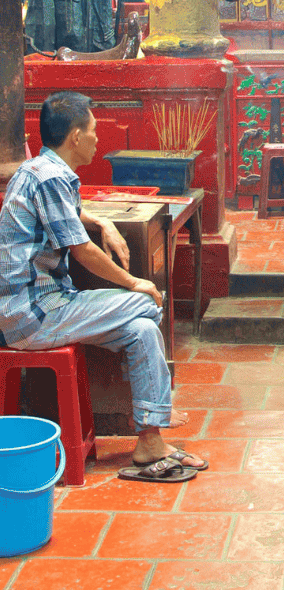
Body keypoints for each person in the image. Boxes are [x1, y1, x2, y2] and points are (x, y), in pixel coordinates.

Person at [0, 92, 207, 481]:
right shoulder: (51, 176)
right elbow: (82, 252)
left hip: (48, 305)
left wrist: (102, 221)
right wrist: (134, 282)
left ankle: (149, 439)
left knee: (143, 328)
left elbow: (67, 213)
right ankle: (157, 407)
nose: (98, 138)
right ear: (76, 136)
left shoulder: (40, 170)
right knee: (147, 304)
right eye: (93, 131)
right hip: (33, 315)